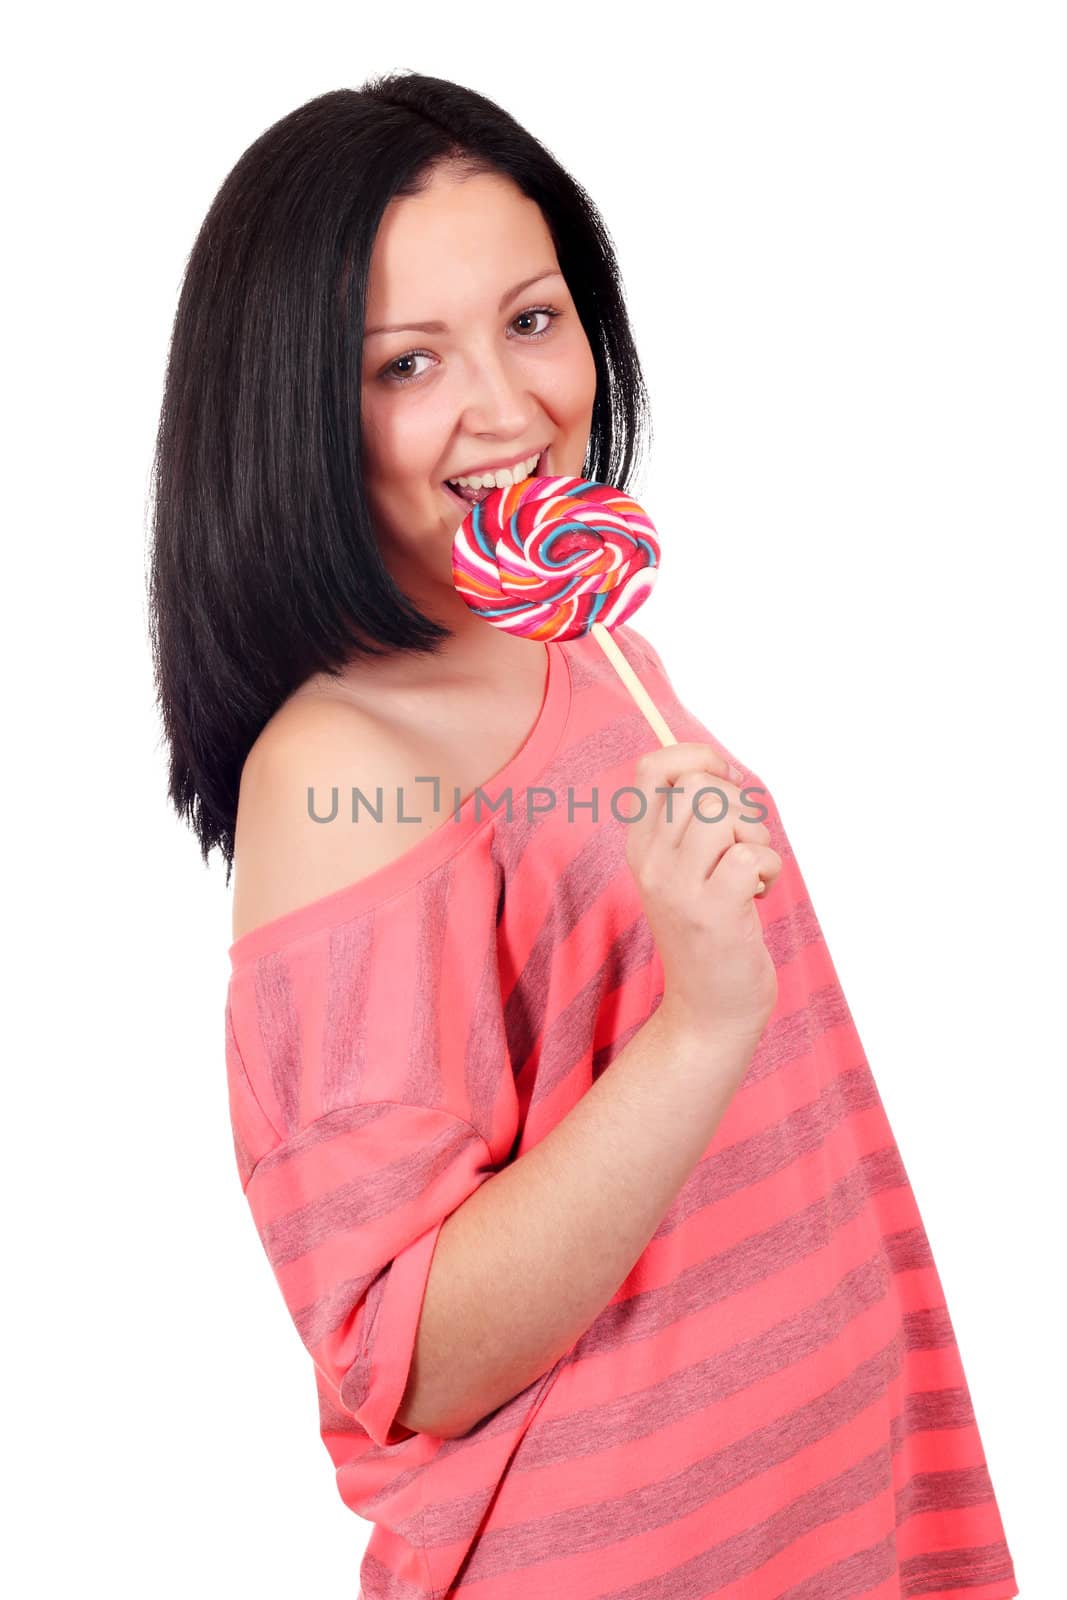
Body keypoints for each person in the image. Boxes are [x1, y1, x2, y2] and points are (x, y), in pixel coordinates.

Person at [147, 72, 1018, 1600]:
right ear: (294, 410)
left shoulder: (570, 641)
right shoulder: (341, 765)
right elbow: (403, 1353)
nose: (509, 406)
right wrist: (700, 1027)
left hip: (827, 1501)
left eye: (532, 320)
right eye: (408, 362)